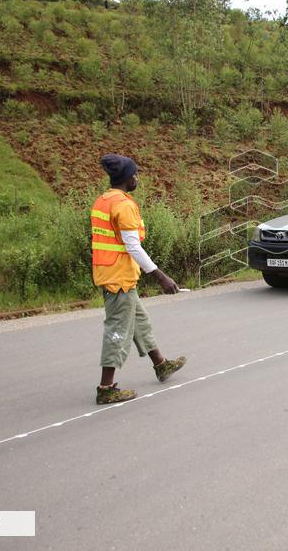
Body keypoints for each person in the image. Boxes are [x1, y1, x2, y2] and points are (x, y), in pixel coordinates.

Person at [91, 154, 186, 405]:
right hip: (118, 277)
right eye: (135, 174)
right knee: (117, 331)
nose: (137, 178)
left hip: (113, 273)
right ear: (126, 177)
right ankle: (106, 387)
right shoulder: (123, 205)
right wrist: (160, 276)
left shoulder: (103, 200)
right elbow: (133, 246)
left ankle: (161, 364)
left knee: (139, 322)